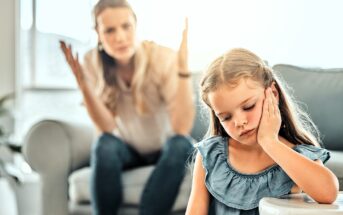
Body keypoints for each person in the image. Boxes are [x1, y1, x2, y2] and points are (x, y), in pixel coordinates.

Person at [59, 0, 195, 214]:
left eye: (126, 26)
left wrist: (183, 71)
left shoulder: (160, 56)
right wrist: (84, 86)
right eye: (110, 30)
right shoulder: (92, 62)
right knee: (104, 143)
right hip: (128, 150)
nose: (120, 37)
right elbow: (107, 127)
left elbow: (181, 127)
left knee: (180, 144)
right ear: (98, 34)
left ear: (136, 25)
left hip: (167, 148)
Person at [186, 48, 339, 215]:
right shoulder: (210, 155)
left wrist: (270, 142)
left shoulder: (296, 155)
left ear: (272, 94)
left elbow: (328, 193)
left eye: (248, 106)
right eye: (226, 117)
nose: (239, 122)